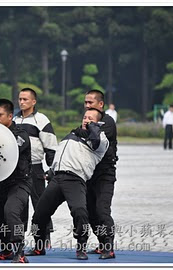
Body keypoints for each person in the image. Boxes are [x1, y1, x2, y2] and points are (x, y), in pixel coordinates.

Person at [27, 108, 109, 260]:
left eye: (91, 118)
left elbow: (96, 141)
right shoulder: (72, 134)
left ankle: (81, 247)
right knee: (39, 214)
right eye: (85, 117)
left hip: (75, 179)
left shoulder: (101, 139)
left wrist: (93, 128)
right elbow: (61, 154)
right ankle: (39, 247)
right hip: (57, 179)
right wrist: (50, 172)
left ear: (98, 122)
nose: (86, 120)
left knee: (80, 212)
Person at [0, 99, 32, 263]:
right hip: (2, 181)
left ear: (10, 116)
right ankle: (5, 250)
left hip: (20, 182)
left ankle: (20, 252)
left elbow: (10, 150)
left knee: (11, 211)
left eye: (0, 115)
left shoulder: (20, 135)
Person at [13, 88, 57, 246]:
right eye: (20, 99)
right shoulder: (14, 120)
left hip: (36, 169)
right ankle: (19, 240)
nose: (22, 102)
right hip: (17, 170)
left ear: (34, 101)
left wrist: (52, 171)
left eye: (25, 99)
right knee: (19, 206)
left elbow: (51, 147)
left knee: (40, 205)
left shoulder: (41, 120)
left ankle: (44, 238)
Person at [84, 90, 118, 259]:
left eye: (90, 102)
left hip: (105, 175)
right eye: (86, 103)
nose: (87, 106)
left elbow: (94, 135)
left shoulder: (108, 122)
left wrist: (85, 128)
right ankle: (101, 243)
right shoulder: (89, 119)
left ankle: (109, 247)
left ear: (101, 104)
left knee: (102, 210)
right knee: (90, 211)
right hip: (89, 174)